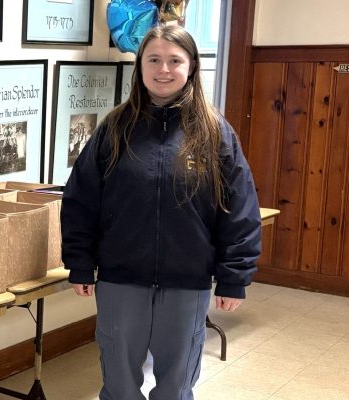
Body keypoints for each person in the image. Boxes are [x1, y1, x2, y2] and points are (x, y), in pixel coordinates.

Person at [60, 25, 261, 400]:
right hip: (121, 278)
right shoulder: (115, 129)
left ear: (192, 67)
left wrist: (234, 276)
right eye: (154, 60)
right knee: (119, 382)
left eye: (174, 61)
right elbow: (81, 202)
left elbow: (239, 209)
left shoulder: (215, 133)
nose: (163, 69)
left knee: (176, 384)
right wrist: (81, 263)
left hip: (187, 281)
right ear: (140, 66)